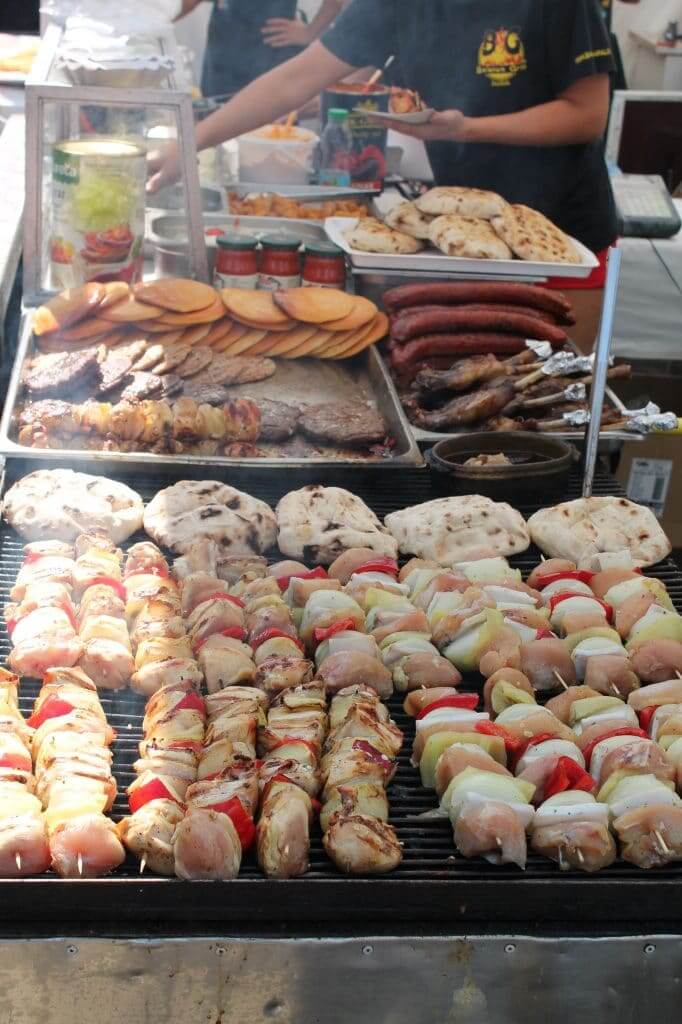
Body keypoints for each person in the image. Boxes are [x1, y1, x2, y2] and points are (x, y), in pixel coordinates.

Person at [153, 0, 617, 258]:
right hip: (462, 235)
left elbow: (587, 114)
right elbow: (296, 77)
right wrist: (189, 141)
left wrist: (465, 129)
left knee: (562, 402)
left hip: (563, 235)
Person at [177, 0, 346, 98]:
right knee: (217, 140)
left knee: (269, 142)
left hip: (269, 56)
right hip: (223, 56)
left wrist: (310, 32)